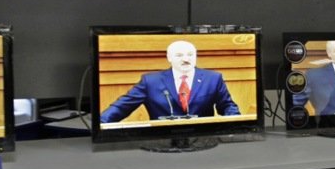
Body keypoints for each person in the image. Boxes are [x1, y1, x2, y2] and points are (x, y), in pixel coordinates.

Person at [100, 40, 239, 121]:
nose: (186, 59)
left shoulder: (213, 78)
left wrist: (237, 125)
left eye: (190, 55)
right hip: (162, 140)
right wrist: (101, 124)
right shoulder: (150, 81)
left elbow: (228, 106)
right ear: (169, 58)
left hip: (203, 138)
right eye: (179, 55)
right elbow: (121, 107)